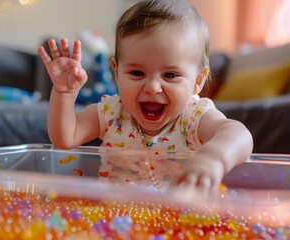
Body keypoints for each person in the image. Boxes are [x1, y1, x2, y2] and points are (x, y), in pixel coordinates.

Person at [38, 0, 253, 196]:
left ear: (197, 81)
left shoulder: (193, 119)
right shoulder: (113, 113)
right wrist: (64, 93)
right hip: (117, 217)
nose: (152, 87)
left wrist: (213, 158)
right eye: (137, 73)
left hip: (180, 220)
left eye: (170, 75)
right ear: (116, 72)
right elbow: (65, 137)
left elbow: (239, 134)